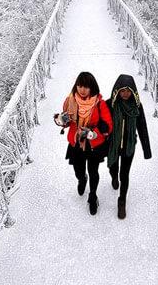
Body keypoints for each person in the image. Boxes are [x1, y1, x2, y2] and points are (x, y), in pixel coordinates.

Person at [54, 72, 113, 215]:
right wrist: (61, 120)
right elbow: (66, 122)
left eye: (86, 87)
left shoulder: (100, 103)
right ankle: (82, 179)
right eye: (80, 86)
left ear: (92, 88)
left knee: (94, 172)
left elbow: (108, 125)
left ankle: (93, 196)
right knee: (78, 171)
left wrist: (93, 133)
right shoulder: (70, 101)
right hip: (76, 144)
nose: (82, 90)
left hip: (94, 145)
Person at [106, 74, 151, 219]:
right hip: (112, 145)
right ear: (117, 91)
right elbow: (99, 124)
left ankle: (122, 201)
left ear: (133, 92)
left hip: (128, 147)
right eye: (122, 90)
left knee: (124, 174)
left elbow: (142, 128)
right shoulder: (110, 104)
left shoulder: (137, 107)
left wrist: (147, 150)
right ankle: (113, 177)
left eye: (128, 91)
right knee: (113, 167)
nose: (125, 94)